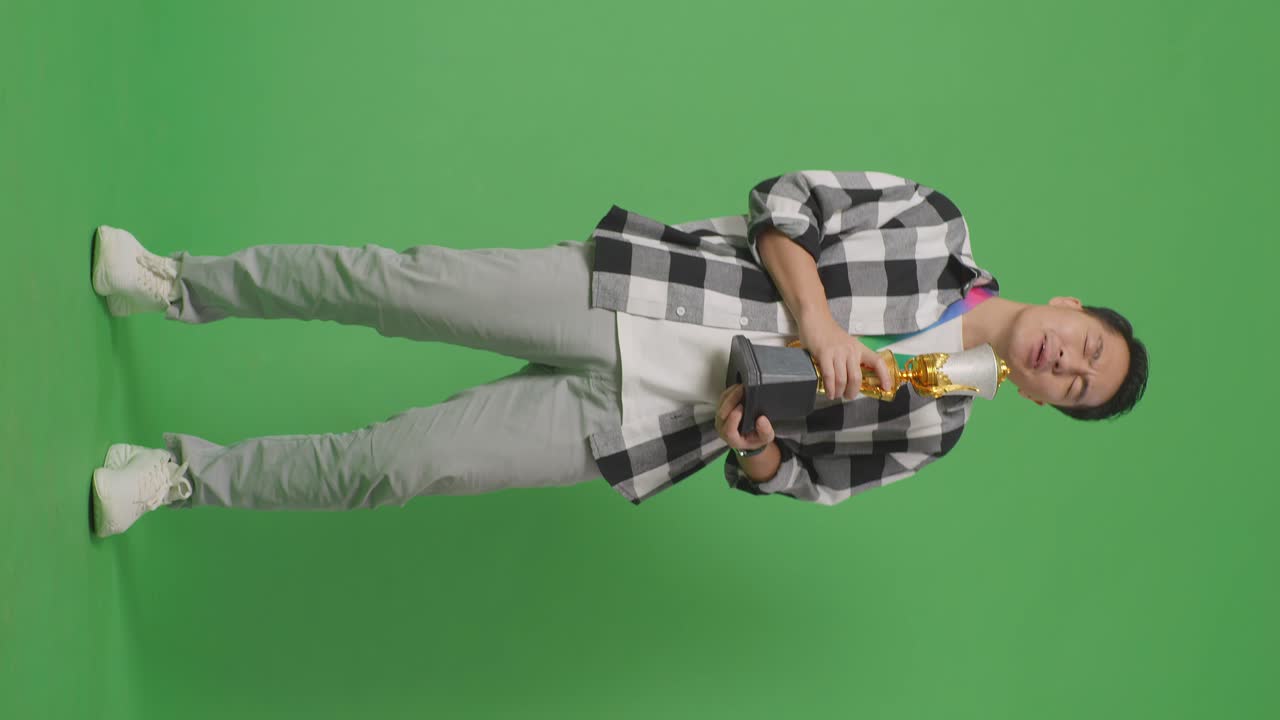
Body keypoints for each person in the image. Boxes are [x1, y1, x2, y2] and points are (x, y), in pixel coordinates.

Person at [87, 170, 1148, 538]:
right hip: (625, 294)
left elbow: (803, 480)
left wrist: (754, 446)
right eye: (1086, 344)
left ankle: (179, 480)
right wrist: (820, 323)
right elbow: (785, 202)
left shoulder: (936, 419)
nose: (1066, 360)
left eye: (1074, 383)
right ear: (1069, 307)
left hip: (642, 426)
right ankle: (177, 283)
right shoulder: (933, 225)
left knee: (397, 467)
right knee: (392, 285)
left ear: (1045, 403)